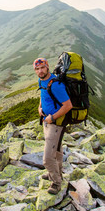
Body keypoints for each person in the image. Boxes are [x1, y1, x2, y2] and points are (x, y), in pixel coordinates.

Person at [34, 57, 72, 194]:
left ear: (48, 66)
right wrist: (40, 108)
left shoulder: (55, 84)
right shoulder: (42, 80)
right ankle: (56, 174)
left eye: (42, 67)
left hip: (56, 124)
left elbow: (68, 105)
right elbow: (43, 95)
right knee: (57, 151)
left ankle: (56, 183)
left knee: (47, 158)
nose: (40, 71)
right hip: (47, 121)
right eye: (37, 69)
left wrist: (52, 117)